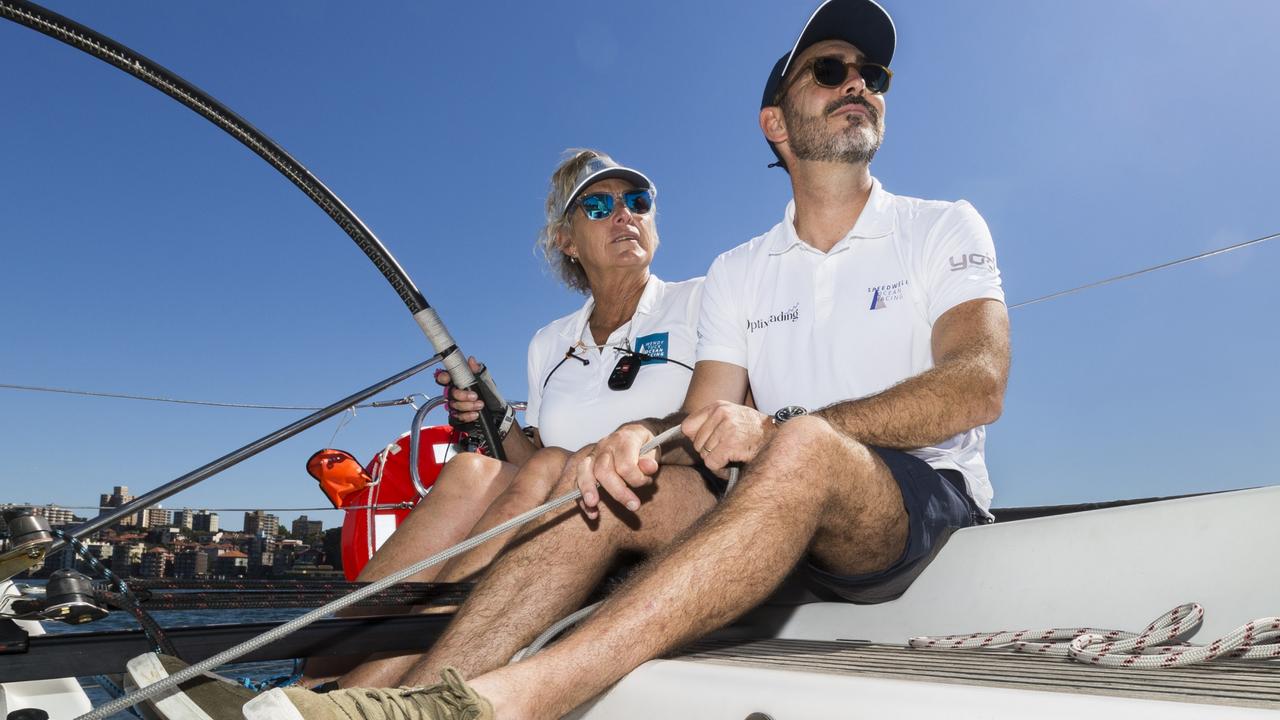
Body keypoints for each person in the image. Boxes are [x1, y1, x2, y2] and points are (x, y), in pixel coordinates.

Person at [209, 1, 1012, 718]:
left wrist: (781, 431)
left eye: (873, 74)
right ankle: (409, 706)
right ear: (776, 121)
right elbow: (703, 420)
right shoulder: (741, 270)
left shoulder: (942, 227)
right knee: (596, 479)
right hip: (768, 510)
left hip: (916, 498)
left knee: (798, 446)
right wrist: (640, 435)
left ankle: (510, 702)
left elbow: (978, 383)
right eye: (831, 70)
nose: (858, 84)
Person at [319, 149, 707, 687]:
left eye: (636, 201)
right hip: (565, 504)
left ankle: (367, 690)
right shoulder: (549, 343)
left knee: (555, 466)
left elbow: (724, 415)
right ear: (567, 242)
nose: (624, 214)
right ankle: (313, 673)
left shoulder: (701, 302)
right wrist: (493, 417)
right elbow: (534, 468)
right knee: (471, 472)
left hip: (668, 506)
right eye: (598, 205)